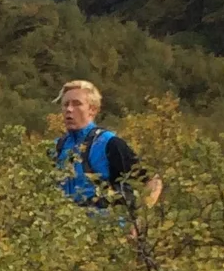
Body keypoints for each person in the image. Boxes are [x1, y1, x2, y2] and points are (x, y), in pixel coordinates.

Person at [52, 80, 161, 210]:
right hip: (65, 220)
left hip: (105, 221)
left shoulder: (109, 143)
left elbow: (152, 180)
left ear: (92, 109)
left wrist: (141, 215)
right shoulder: (56, 147)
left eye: (77, 104)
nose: (69, 109)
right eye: (65, 105)